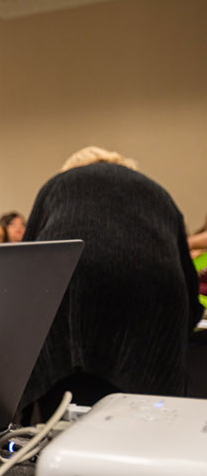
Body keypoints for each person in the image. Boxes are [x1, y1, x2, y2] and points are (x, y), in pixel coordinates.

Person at [19, 146, 201, 418]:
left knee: (63, 418)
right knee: (145, 420)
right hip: (151, 303)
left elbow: (27, 267)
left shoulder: (59, 186)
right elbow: (188, 286)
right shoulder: (158, 193)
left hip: (72, 304)